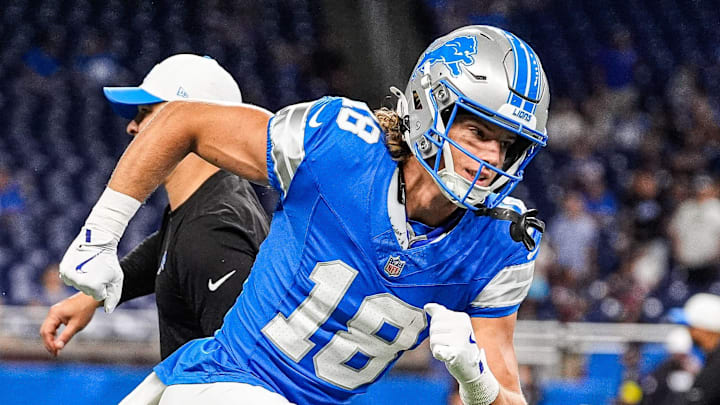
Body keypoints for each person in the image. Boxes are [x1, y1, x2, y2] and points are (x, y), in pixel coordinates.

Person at [59, 25, 549, 405]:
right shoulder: (339, 143)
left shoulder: (502, 244)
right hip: (229, 379)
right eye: (478, 133)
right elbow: (182, 119)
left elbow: (504, 392)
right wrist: (99, 236)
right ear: (429, 109)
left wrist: (475, 378)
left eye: (508, 146)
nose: (491, 161)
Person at [40, 54, 270, 359]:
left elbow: (245, 367)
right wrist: (90, 299)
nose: (132, 127)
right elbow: (167, 248)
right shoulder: (208, 199)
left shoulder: (212, 231)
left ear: (196, 124)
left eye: (147, 113)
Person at [676, 293, 720, 404]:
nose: (688, 332)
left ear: (706, 329)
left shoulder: (715, 368)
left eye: (691, 327)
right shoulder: (712, 359)